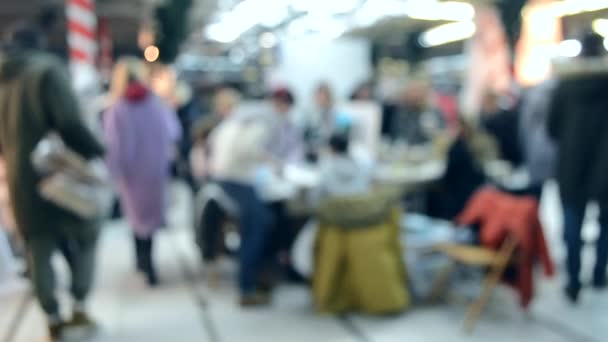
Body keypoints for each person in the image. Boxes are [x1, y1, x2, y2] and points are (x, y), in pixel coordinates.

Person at [0, 24, 105, 340]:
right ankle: (79, 307)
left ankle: (53, 316)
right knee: (87, 234)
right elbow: (70, 122)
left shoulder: (3, 81)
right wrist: (97, 151)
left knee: (38, 247)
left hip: (22, 181)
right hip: (60, 176)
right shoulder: (47, 72)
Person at [104, 58, 181, 287]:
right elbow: (173, 132)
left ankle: (141, 259)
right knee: (152, 218)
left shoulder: (117, 108)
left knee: (136, 216)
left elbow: (114, 144)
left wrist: (113, 170)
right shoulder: (156, 103)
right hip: (155, 168)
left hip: (131, 172)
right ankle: (149, 261)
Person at [548, 31, 608, 303]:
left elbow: (552, 128)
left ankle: (573, 281)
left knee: (572, 223)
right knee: (606, 224)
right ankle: (598, 274)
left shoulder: (566, 86)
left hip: (571, 164)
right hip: (605, 166)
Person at [208, 107, 274, 306]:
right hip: (239, 181)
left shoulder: (232, 123)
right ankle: (248, 288)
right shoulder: (262, 122)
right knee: (257, 229)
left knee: (255, 226)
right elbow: (247, 150)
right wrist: (265, 159)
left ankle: (254, 281)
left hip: (225, 179)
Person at [268, 87, 304, 164]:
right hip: (265, 166)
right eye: (277, 104)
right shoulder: (265, 123)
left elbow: (297, 150)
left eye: (284, 104)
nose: (280, 108)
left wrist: (287, 163)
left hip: (286, 166)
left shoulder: (292, 126)